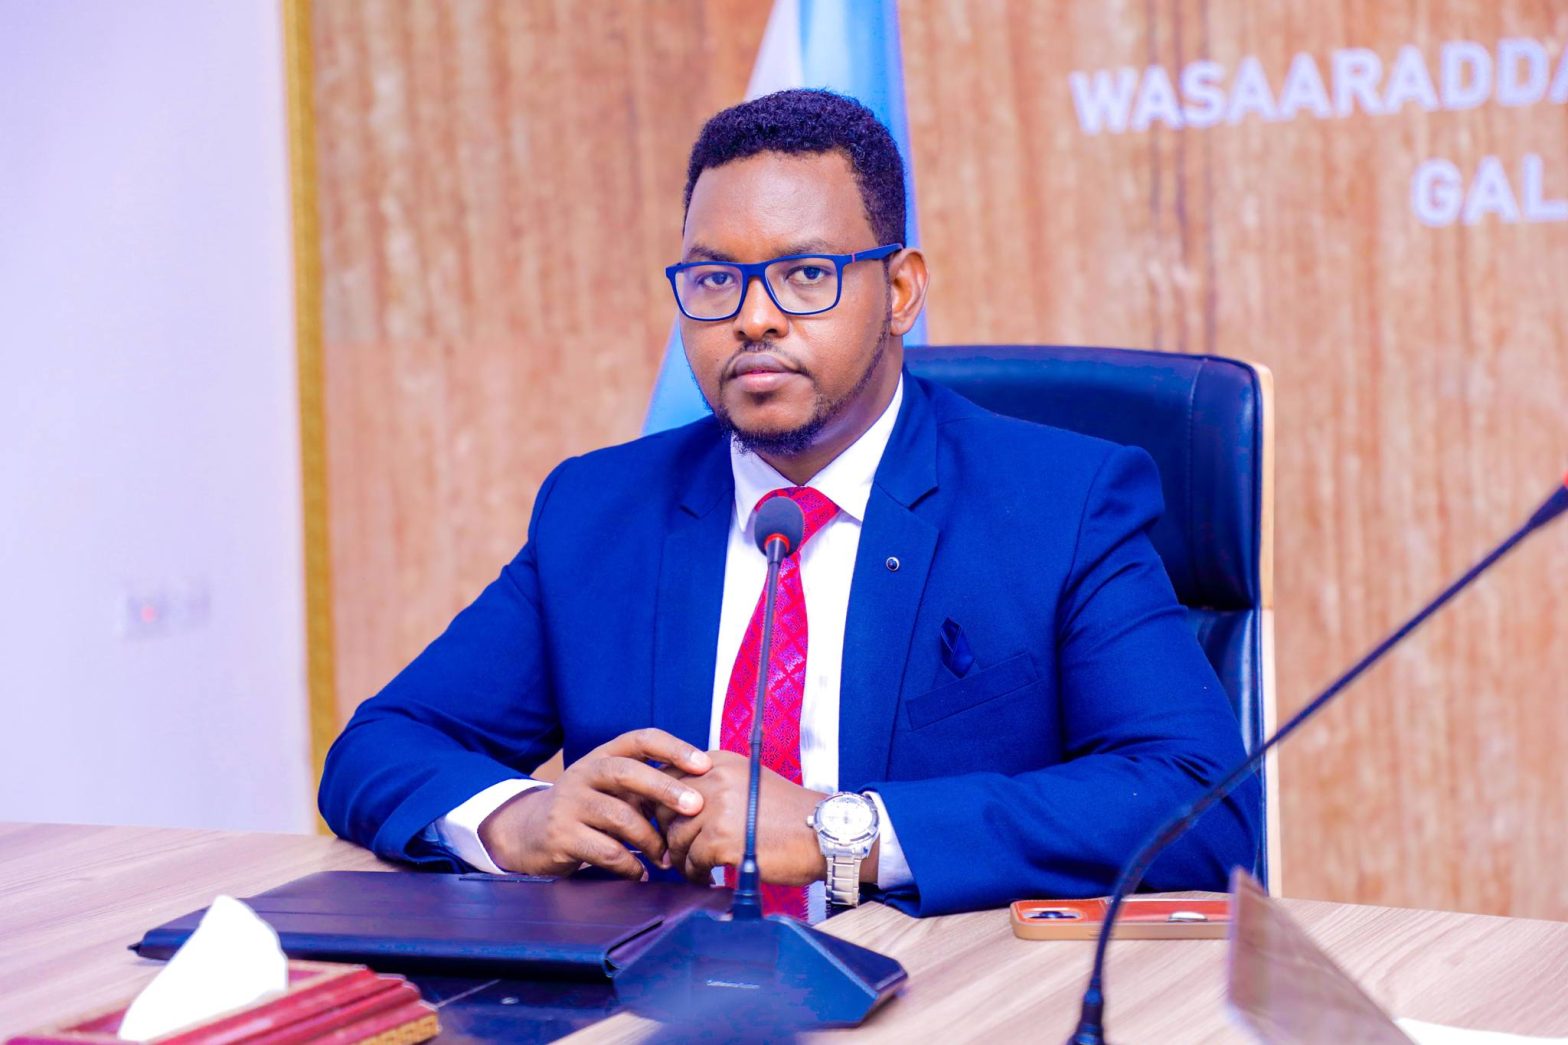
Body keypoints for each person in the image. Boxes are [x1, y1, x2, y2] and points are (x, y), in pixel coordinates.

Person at [319, 88, 1259, 918]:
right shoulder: (598, 513)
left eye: (806, 274)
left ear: (900, 290)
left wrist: (843, 830)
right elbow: (383, 745)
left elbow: (1202, 804)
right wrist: (516, 818)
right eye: (714, 279)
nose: (753, 317)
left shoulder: (1061, 502)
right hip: (655, 999)